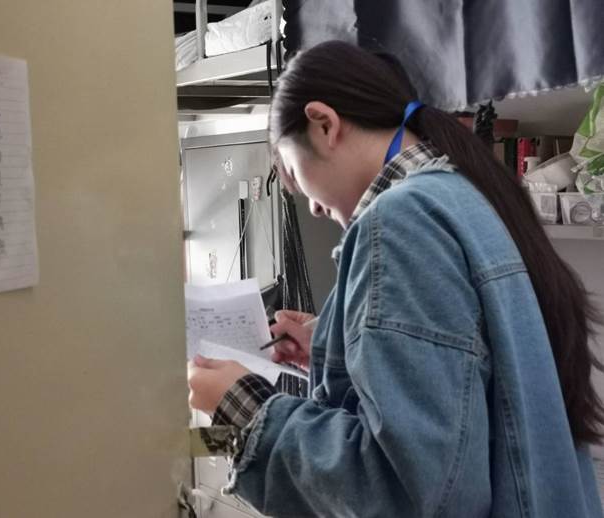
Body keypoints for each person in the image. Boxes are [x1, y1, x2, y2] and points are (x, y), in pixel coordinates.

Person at [187, 40, 604, 517]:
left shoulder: (402, 221)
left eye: (295, 178)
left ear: (324, 124)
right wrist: (335, 342)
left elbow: (405, 491)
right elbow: (469, 385)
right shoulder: (463, 195)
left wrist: (245, 409)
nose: (314, 208)